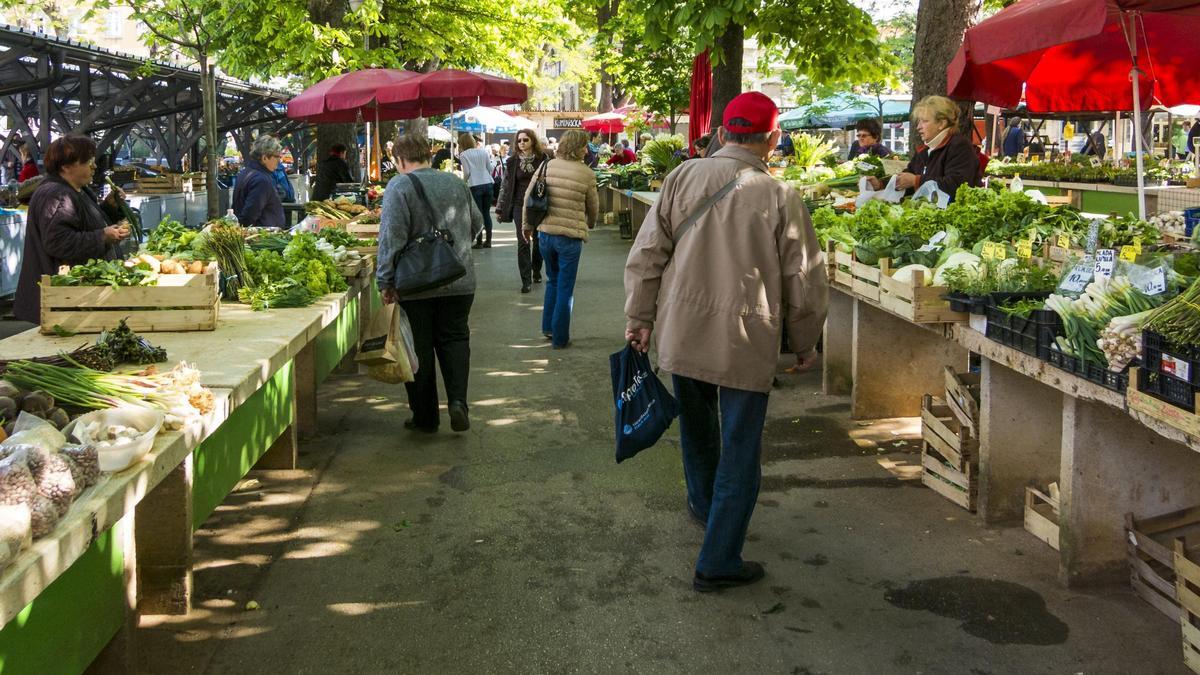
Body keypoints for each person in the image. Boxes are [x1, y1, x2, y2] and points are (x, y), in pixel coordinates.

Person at [624, 92, 828, 593]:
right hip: (744, 337)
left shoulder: (681, 177)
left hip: (683, 328)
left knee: (696, 429)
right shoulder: (780, 195)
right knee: (741, 449)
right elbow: (804, 278)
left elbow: (648, 253)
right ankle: (718, 558)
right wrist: (804, 343)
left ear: (720, 134)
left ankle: (703, 505)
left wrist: (639, 317)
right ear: (773, 139)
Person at [377, 130, 483, 434]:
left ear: (399, 159)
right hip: (459, 278)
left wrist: (384, 280)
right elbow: (476, 224)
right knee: (455, 339)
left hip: (416, 284)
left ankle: (425, 417)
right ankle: (459, 403)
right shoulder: (455, 182)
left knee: (418, 348)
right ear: (428, 153)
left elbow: (391, 238)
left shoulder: (399, 186)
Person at [14, 135, 131, 323]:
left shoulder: (76, 189)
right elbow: (58, 243)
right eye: (87, 162)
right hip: (61, 302)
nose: (94, 166)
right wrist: (102, 236)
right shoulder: (57, 195)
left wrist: (110, 208)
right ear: (66, 166)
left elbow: (83, 222)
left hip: (72, 300)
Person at [523, 129, 597, 349]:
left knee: (552, 281)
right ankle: (560, 338)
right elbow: (593, 207)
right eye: (585, 146)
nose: (587, 149)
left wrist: (527, 225)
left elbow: (529, 196)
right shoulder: (586, 173)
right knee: (565, 286)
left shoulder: (547, 165)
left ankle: (548, 327)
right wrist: (590, 224)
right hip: (570, 238)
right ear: (578, 148)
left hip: (545, 234)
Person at [868, 95, 982, 202]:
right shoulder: (926, 150)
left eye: (925, 121)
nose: (918, 127)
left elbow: (955, 186)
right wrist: (880, 184)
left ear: (941, 124)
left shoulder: (959, 147)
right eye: (919, 122)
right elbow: (908, 176)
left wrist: (916, 181)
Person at [496, 129, 548, 293]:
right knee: (523, 241)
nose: (522, 143)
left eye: (525, 140)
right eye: (519, 141)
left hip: (538, 204)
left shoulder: (543, 159)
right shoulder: (512, 161)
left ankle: (536, 270)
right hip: (519, 205)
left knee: (539, 240)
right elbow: (505, 185)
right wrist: (500, 207)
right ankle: (525, 280)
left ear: (532, 140)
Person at [232, 134, 286, 229]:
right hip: (262, 237)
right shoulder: (261, 180)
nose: (279, 161)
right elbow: (249, 215)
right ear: (264, 158)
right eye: (277, 157)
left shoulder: (245, 172)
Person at [457, 132, 496, 249]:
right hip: (488, 184)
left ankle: (479, 241)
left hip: (475, 185)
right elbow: (489, 168)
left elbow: (467, 172)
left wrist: (463, 182)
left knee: (477, 215)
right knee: (486, 213)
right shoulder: (483, 152)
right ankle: (488, 240)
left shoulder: (463, 155)